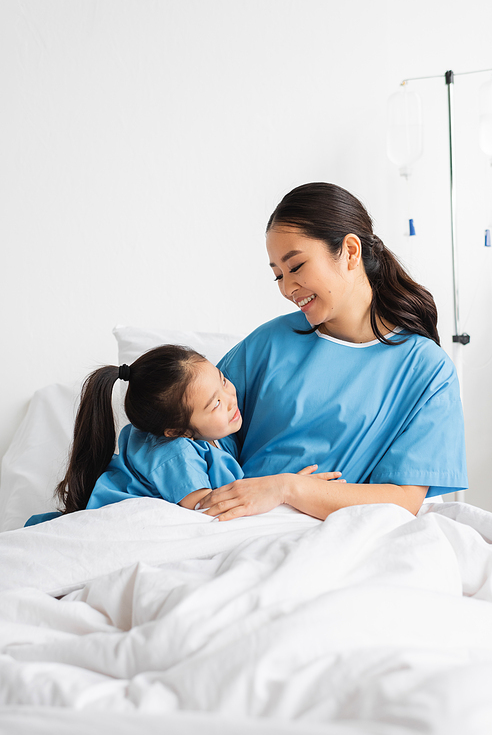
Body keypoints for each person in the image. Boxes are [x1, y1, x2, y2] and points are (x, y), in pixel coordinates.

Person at [195, 182, 468, 522]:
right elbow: (191, 427)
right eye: (277, 275)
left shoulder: (426, 371)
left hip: (335, 532)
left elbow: (403, 499)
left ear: (351, 251)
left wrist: (286, 488)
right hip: (234, 521)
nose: (287, 288)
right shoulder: (268, 343)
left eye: (295, 267)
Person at [25, 344, 340, 526]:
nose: (231, 399)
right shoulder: (175, 452)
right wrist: (286, 493)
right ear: (174, 430)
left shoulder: (203, 437)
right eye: (215, 403)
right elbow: (206, 508)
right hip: (117, 523)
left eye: (223, 381)